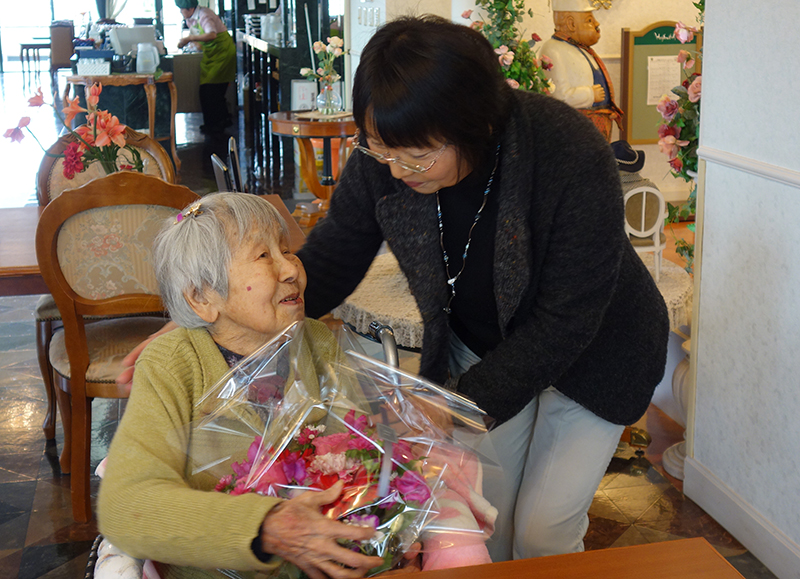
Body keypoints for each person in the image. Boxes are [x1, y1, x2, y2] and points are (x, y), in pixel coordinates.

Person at [117, 15, 669, 564]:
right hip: (489, 346)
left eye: (418, 155)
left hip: (597, 349)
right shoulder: (388, 152)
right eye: (382, 149)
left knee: (545, 532)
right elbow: (333, 256)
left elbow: (567, 319)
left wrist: (460, 404)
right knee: (486, 519)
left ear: (475, 128)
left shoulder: (566, 151)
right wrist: (207, 318)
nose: (398, 169)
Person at [98, 193, 386, 579]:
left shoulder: (316, 341)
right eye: (264, 256)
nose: (291, 269)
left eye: (286, 249)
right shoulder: (174, 364)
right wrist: (265, 526)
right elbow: (125, 505)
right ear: (202, 298)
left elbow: (360, 453)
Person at [539, 0, 622, 141]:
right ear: (571, 24)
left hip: (598, 129)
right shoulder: (552, 50)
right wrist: (590, 94)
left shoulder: (584, 49)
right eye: (589, 20)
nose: (597, 24)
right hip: (575, 130)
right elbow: (558, 96)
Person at [175, 0, 235, 136]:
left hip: (222, 53)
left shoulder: (204, 14)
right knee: (210, 90)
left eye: (182, 9)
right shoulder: (192, 18)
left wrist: (189, 39)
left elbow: (212, 34)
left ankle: (218, 124)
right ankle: (214, 123)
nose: (180, 11)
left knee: (212, 90)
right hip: (212, 55)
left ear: (190, 8)